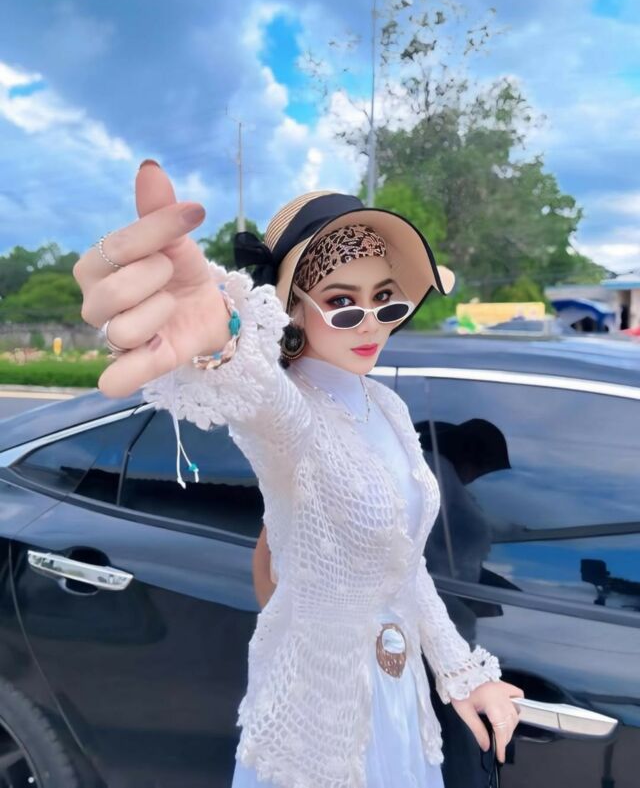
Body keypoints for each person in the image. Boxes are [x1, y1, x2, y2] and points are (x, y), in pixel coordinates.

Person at [73, 160, 524, 788]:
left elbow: (403, 565)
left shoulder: (387, 407)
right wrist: (221, 338)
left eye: (385, 299)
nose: (371, 322)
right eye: (341, 303)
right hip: (315, 714)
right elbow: (263, 400)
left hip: (398, 703)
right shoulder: (294, 414)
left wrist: (462, 673)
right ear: (292, 307)